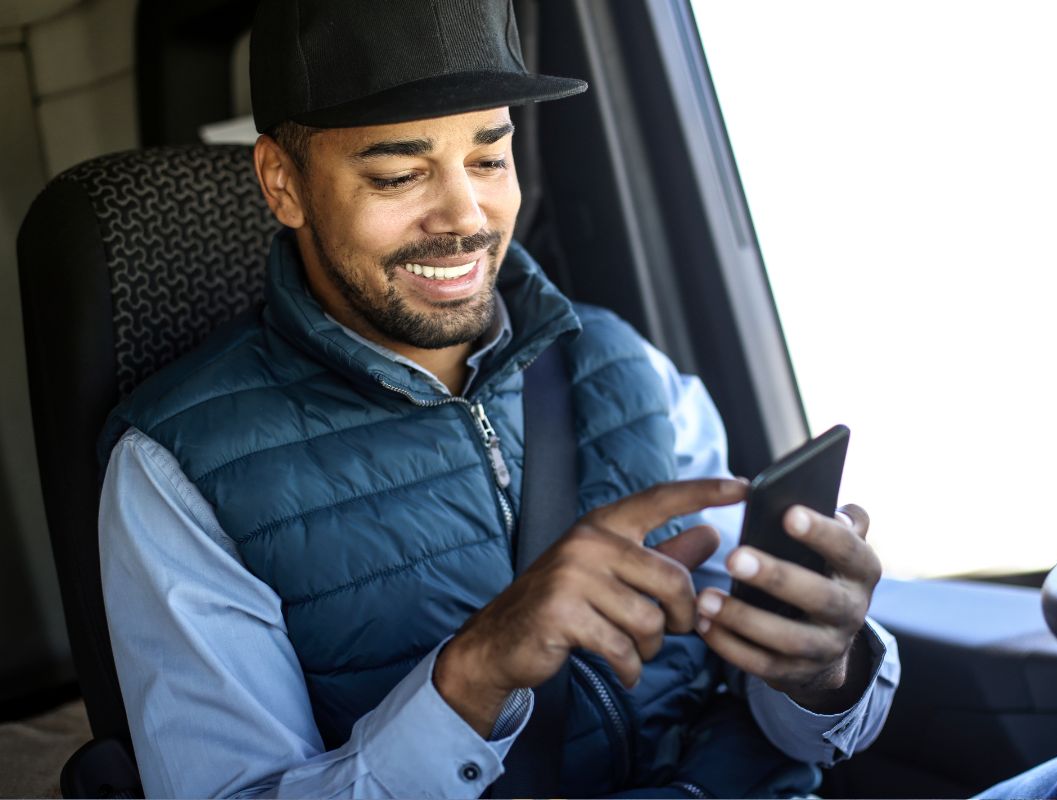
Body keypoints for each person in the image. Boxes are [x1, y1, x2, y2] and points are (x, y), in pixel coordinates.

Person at [96, 0, 900, 796]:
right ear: (283, 183)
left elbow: (776, 710)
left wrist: (824, 667)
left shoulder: (624, 365)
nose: (465, 217)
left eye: (488, 159)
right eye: (400, 173)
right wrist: (476, 672)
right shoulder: (177, 473)